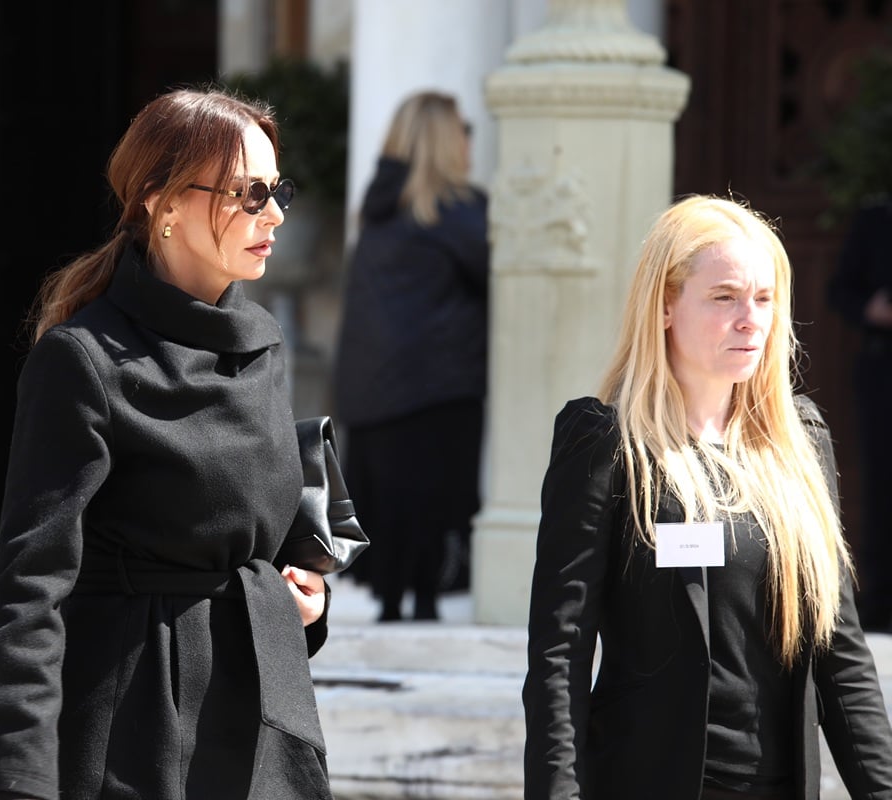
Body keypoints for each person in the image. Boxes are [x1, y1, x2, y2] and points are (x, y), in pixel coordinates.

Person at [0, 88, 334, 800]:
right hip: (136, 733)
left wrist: (305, 592)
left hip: (265, 725)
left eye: (278, 190)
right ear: (164, 205)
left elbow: (252, 532)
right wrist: (23, 779)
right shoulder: (82, 360)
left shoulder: (261, 343)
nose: (275, 215)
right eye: (249, 194)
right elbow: (27, 593)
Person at [523, 195, 892, 800]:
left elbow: (841, 655)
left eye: (765, 299)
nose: (751, 319)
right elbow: (559, 656)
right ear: (665, 306)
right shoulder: (607, 443)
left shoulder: (800, 441)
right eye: (724, 297)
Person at [332, 91, 489, 622]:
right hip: (437, 386)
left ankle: (392, 600)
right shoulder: (459, 213)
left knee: (390, 507)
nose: (469, 142)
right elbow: (498, 279)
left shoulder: (377, 210)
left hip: (372, 391)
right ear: (446, 140)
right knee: (435, 505)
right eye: (464, 131)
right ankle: (425, 598)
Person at [827, 198, 892, 632]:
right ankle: (880, 604)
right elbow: (840, 291)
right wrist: (873, 309)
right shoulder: (876, 219)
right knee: (883, 486)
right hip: (884, 369)